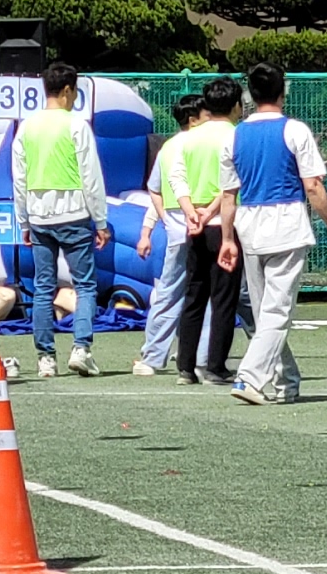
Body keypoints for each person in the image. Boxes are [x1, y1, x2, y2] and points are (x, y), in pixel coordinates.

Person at [227, 60, 327, 407]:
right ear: (283, 91)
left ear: (250, 94)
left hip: (249, 227)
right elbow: (313, 186)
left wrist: (228, 239)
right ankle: (250, 377)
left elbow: (228, 195)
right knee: (276, 313)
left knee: (266, 314)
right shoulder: (295, 130)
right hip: (288, 225)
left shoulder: (235, 134)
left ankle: (286, 380)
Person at [13, 60, 110, 380]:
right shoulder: (77, 125)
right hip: (75, 214)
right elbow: (91, 176)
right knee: (85, 285)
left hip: (39, 216)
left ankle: (46, 358)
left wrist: (23, 221)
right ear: (68, 90)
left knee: (43, 287)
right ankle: (81, 349)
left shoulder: (27, 127)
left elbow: (19, 178)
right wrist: (101, 221)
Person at [170, 77, 245, 389]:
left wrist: (191, 210)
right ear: (235, 105)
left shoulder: (188, 138)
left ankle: (186, 367)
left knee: (194, 295)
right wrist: (212, 210)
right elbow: (233, 183)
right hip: (226, 225)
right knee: (224, 298)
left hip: (195, 225)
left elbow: (176, 177)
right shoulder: (237, 135)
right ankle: (215, 366)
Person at [132, 90, 205, 377]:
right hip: (204, 221)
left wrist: (163, 219)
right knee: (206, 293)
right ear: (193, 119)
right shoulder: (205, 143)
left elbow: (155, 189)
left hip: (176, 227)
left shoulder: (168, 147)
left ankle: (153, 355)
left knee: (168, 292)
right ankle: (201, 356)